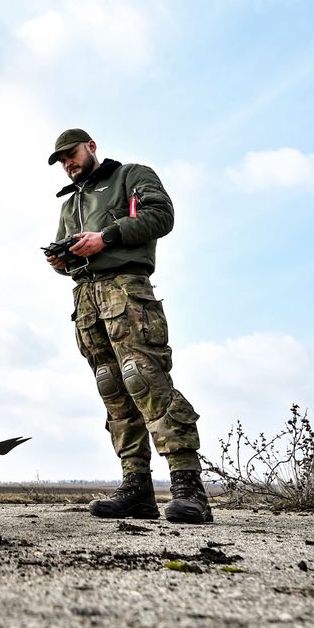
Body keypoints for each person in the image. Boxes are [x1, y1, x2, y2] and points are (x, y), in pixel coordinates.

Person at [45, 129, 212, 523]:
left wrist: (106, 237)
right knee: (112, 388)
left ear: (91, 146)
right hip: (86, 300)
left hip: (127, 292)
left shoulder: (131, 176)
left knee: (145, 379)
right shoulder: (71, 205)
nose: (68, 163)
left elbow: (160, 216)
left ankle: (189, 487)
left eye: (71, 154)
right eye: (61, 160)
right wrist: (61, 260)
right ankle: (136, 487)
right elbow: (66, 251)